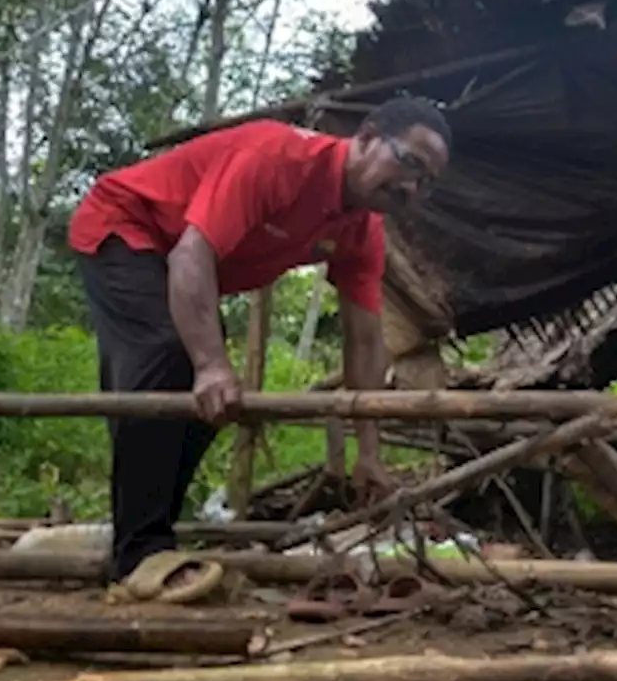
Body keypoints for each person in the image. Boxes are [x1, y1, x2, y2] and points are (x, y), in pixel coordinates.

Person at [67, 97, 452, 585]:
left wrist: (369, 452)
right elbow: (193, 254)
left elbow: (364, 341)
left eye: (426, 182)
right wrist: (210, 363)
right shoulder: (278, 159)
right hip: (125, 225)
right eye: (410, 162)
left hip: (180, 265)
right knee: (169, 359)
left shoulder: (362, 231)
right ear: (368, 136)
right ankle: (140, 553)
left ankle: (148, 535)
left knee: (214, 404)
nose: (411, 186)